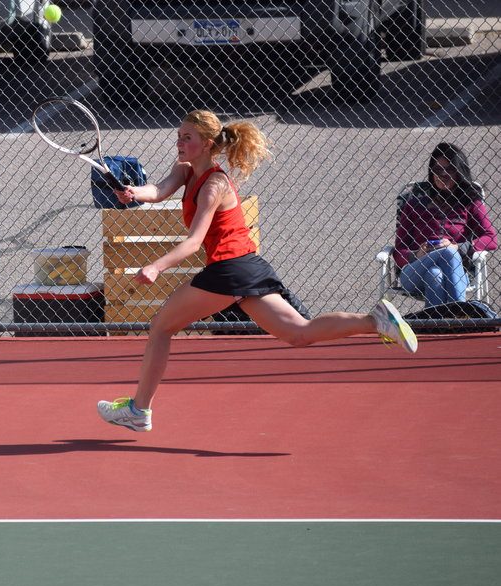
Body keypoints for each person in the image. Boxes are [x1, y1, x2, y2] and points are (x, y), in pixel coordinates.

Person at [97, 110, 418, 432]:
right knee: (298, 333)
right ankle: (376, 321)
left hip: (229, 269)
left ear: (207, 144)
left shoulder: (214, 185)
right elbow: (160, 190)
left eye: (187, 138)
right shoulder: (184, 170)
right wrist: (135, 192)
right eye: (179, 135)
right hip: (247, 266)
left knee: (161, 327)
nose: (179, 142)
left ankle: (139, 410)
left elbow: (194, 241)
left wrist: (156, 266)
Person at [393, 142, 497, 307]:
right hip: (414, 271)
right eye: (438, 169)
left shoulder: (469, 201)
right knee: (446, 254)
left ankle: (433, 326)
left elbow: (491, 239)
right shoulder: (414, 203)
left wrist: (458, 247)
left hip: (455, 272)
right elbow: (398, 251)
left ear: (459, 171)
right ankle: (460, 314)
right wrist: (416, 254)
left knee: (435, 274)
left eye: (449, 169)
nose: (443, 175)